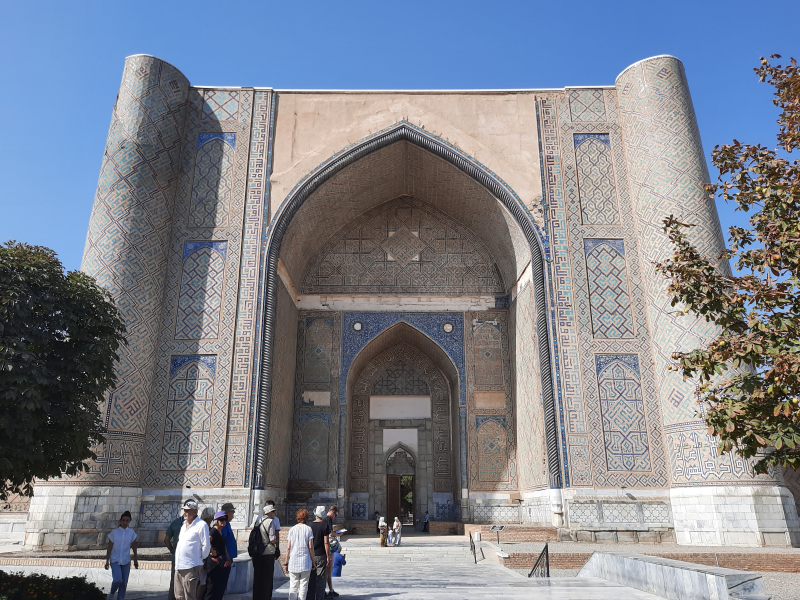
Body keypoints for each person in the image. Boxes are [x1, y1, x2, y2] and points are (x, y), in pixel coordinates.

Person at [174, 499, 210, 600]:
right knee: (179, 596)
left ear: (195, 512)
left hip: (191, 566)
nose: (185, 513)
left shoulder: (201, 525)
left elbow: (206, 546)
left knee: (189, 596)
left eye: (188, 511)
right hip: (179, 565)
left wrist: (200, 558)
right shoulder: (184, 525)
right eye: (184, 510)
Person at [104, 510, 138, 600]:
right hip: (115, 560)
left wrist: (135, 559)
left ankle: (120, 598)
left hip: (126, 560)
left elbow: (134, 547)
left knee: (124, 583)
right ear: (120, 521)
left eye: (127, 520)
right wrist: (107, 561)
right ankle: (111, 592)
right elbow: (109, 548)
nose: (125, 522)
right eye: (123, 520)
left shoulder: (131, 533)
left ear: (129, 521)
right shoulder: (114, 533)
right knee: (118, 579)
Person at [282, 509, 314, 600]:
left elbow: (288, 548)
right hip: (305, 561)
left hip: (293, 561)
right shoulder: (308, 529)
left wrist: (286, 563)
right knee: (303, 586)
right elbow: (311, 547)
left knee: (293, 586)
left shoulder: (292, 529)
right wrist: (313, 562)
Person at [252, 503, 280, 600]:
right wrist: (277, 542)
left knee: (258, 577)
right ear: (269, 513)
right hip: (268, 553)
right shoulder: (270, 522)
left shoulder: (258, 521)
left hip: (257, 552)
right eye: (273, 511)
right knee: (267, 579)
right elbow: (272, 538)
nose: (274, 513)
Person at [206, 511, 232, 600]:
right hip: (214, 564)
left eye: (225, 519)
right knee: (212, 588)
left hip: (221, 563)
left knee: (219, 588)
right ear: (216, 520)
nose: (223, 521)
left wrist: (228, 559)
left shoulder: (220, 531)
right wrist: (212, 551)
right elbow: (207, 541)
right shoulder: (213, 531)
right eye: (221, 519)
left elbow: (223, 547)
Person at [308, 506, 331, 600]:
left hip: (311, 555)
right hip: (321, 555)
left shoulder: (309, 525)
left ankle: (310, 597)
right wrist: (328, 556)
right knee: (321, 579)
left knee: (311, 578)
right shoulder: (325, 525)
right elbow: (326, 542)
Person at [218, 502, 238, 598]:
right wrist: (228, 558)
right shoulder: (224, 524)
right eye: (232, 512)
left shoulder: (227, 524)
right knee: (221, 583)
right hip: (225, 558)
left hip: (228, 557)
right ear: (227, 513)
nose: (233, 514)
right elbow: (223, 542)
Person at [164, 507, 184, 600]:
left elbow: (166, 540)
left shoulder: (175, 522)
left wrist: (172, 550)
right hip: (187, 557)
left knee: (174, 580)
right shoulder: (195, 523)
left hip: (176, 555)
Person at [324, 506, 340, 599]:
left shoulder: (323, 520)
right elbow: (330, 533)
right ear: (333, 512)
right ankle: (329, 590)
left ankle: (327, 590)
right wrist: (338, 534)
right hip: (329, 548)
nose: (335, 517)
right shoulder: (329, 519)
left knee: (326, 572)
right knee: (328, 571)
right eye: (336, 515)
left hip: (324, 548)